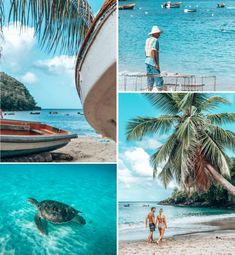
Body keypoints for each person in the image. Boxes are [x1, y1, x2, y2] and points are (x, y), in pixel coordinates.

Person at [145, 26, 164, 91]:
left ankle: (149, 90)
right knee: (159, 79)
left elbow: (146, 51)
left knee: (150, 78)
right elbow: (153, 51)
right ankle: (160, 91)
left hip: (147, 61)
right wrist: (156, 64)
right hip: (152, 62)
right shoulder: (155, 41)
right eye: (158, 33)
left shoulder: (147, 40)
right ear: (154, 34)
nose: (159, 35)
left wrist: (147, 59)